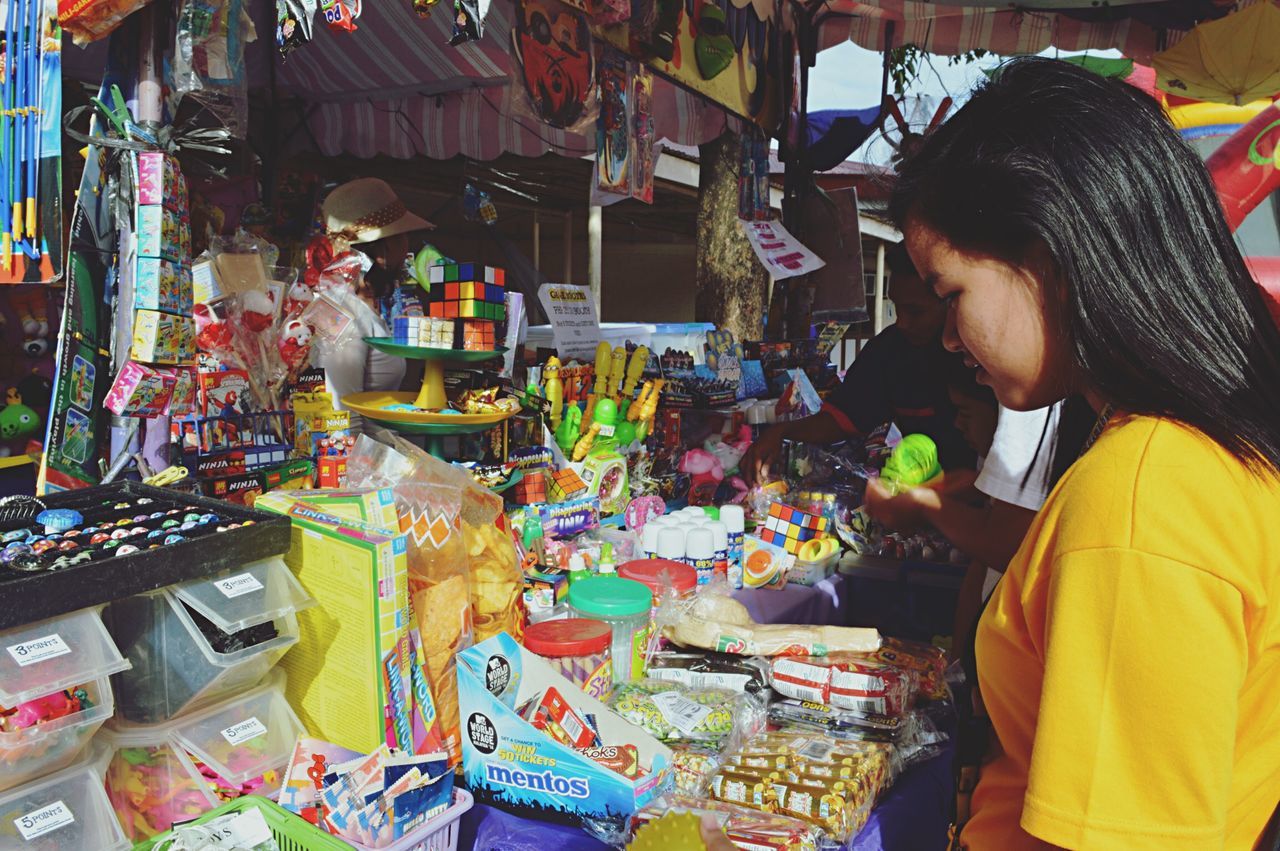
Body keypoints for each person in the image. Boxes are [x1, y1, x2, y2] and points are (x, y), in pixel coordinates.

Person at [890, 57, 1280, 850]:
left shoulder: (1145, 494)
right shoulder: (1194, 455)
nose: (950, 337)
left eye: (952, 293)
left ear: (1048, 257)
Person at [740, 243, 976, 485]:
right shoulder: (889, 351)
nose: (902, 322)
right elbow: (845, 416)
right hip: (919, 493)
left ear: (951, 304)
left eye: (915, 311)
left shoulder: (979, 357)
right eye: (896, 307)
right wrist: (780, 432)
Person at [319, 178, 434, 418]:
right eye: (402, 237)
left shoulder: (368, 307)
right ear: (384, 249)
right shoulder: (345, 317)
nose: (407, 249)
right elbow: (343, 420)